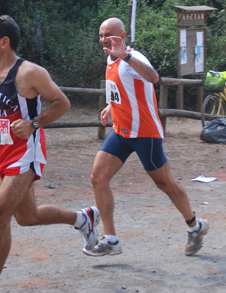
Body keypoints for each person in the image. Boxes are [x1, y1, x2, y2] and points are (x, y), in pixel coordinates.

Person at [0, 15, 99, 293]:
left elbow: (62, 103)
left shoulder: (29, 73)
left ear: (4, 42)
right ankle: (83, 219)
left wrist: (34, 123)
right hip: (4, 153)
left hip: (26, 153)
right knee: (27, 217)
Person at [83, 17, 208, 257]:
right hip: (121, 131)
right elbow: (120, 88)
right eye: (101, 35)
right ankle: (111, 240)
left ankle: (195, 226)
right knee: (97, 178)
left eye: (109, 35)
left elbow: (153, 78)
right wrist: (111, 106)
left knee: (165, 183)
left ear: (122, 35)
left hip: (145, 133)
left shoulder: (133, 57)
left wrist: (125, 56)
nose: (104, 40)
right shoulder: (110, 59)